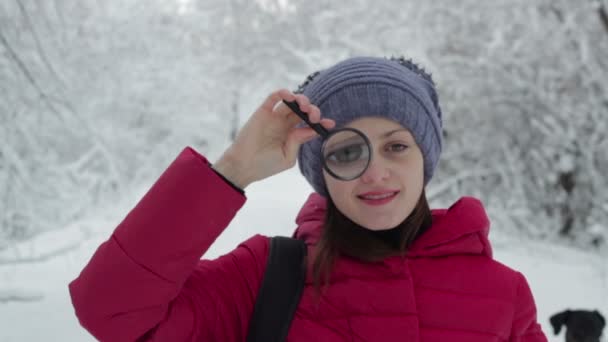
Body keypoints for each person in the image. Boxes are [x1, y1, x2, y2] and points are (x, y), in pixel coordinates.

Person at [69, 56, 549, 341]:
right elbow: (110, 312)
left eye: (397, 146)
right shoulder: (265, 277)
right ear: (321, 171)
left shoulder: (505, 295)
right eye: (347, 152)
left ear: (427, 157)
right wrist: (232, 171)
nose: (376, 171)